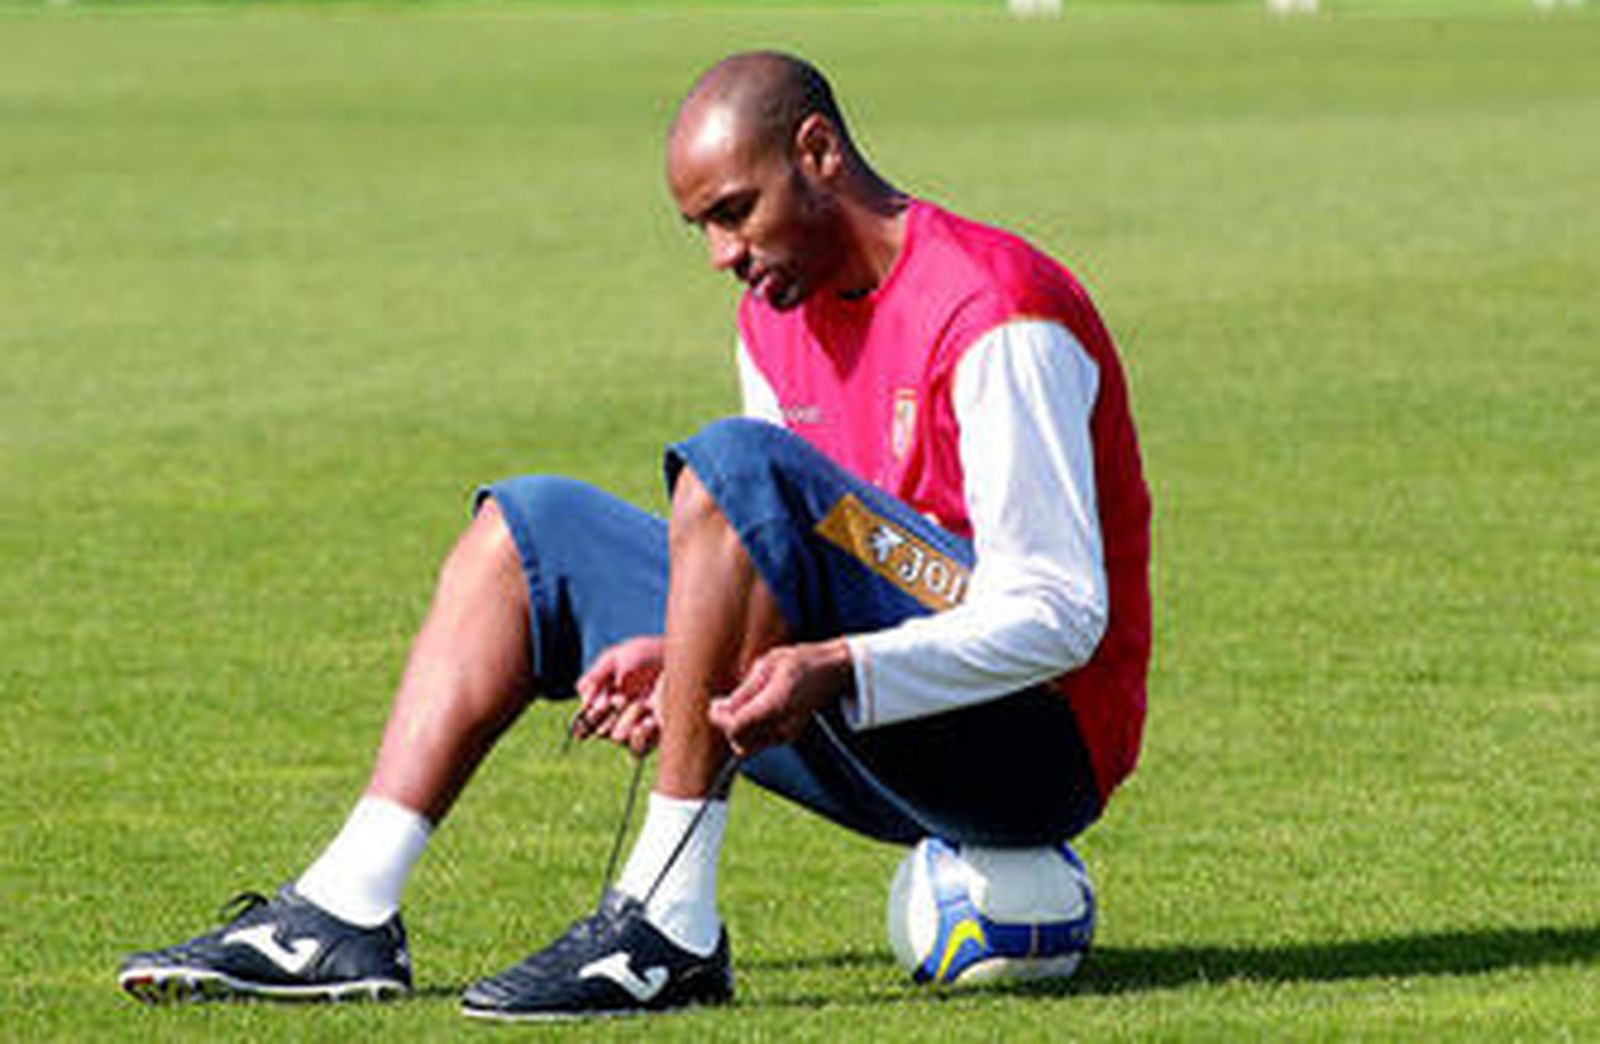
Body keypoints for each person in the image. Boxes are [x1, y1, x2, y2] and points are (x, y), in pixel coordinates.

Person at [118, 50, 1150, 1021]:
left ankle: (666, 922)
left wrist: (830, 666)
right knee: (528, 530)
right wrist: (688, 651)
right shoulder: (773, 312)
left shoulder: (996, 309)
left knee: (737, 466)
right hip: (865, 703)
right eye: (700, 226)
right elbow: (778, 550)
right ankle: (342, 911)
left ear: (819, 154)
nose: (720, 255)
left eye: (734, 213)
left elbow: (1061, 616)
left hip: (1032, 745)